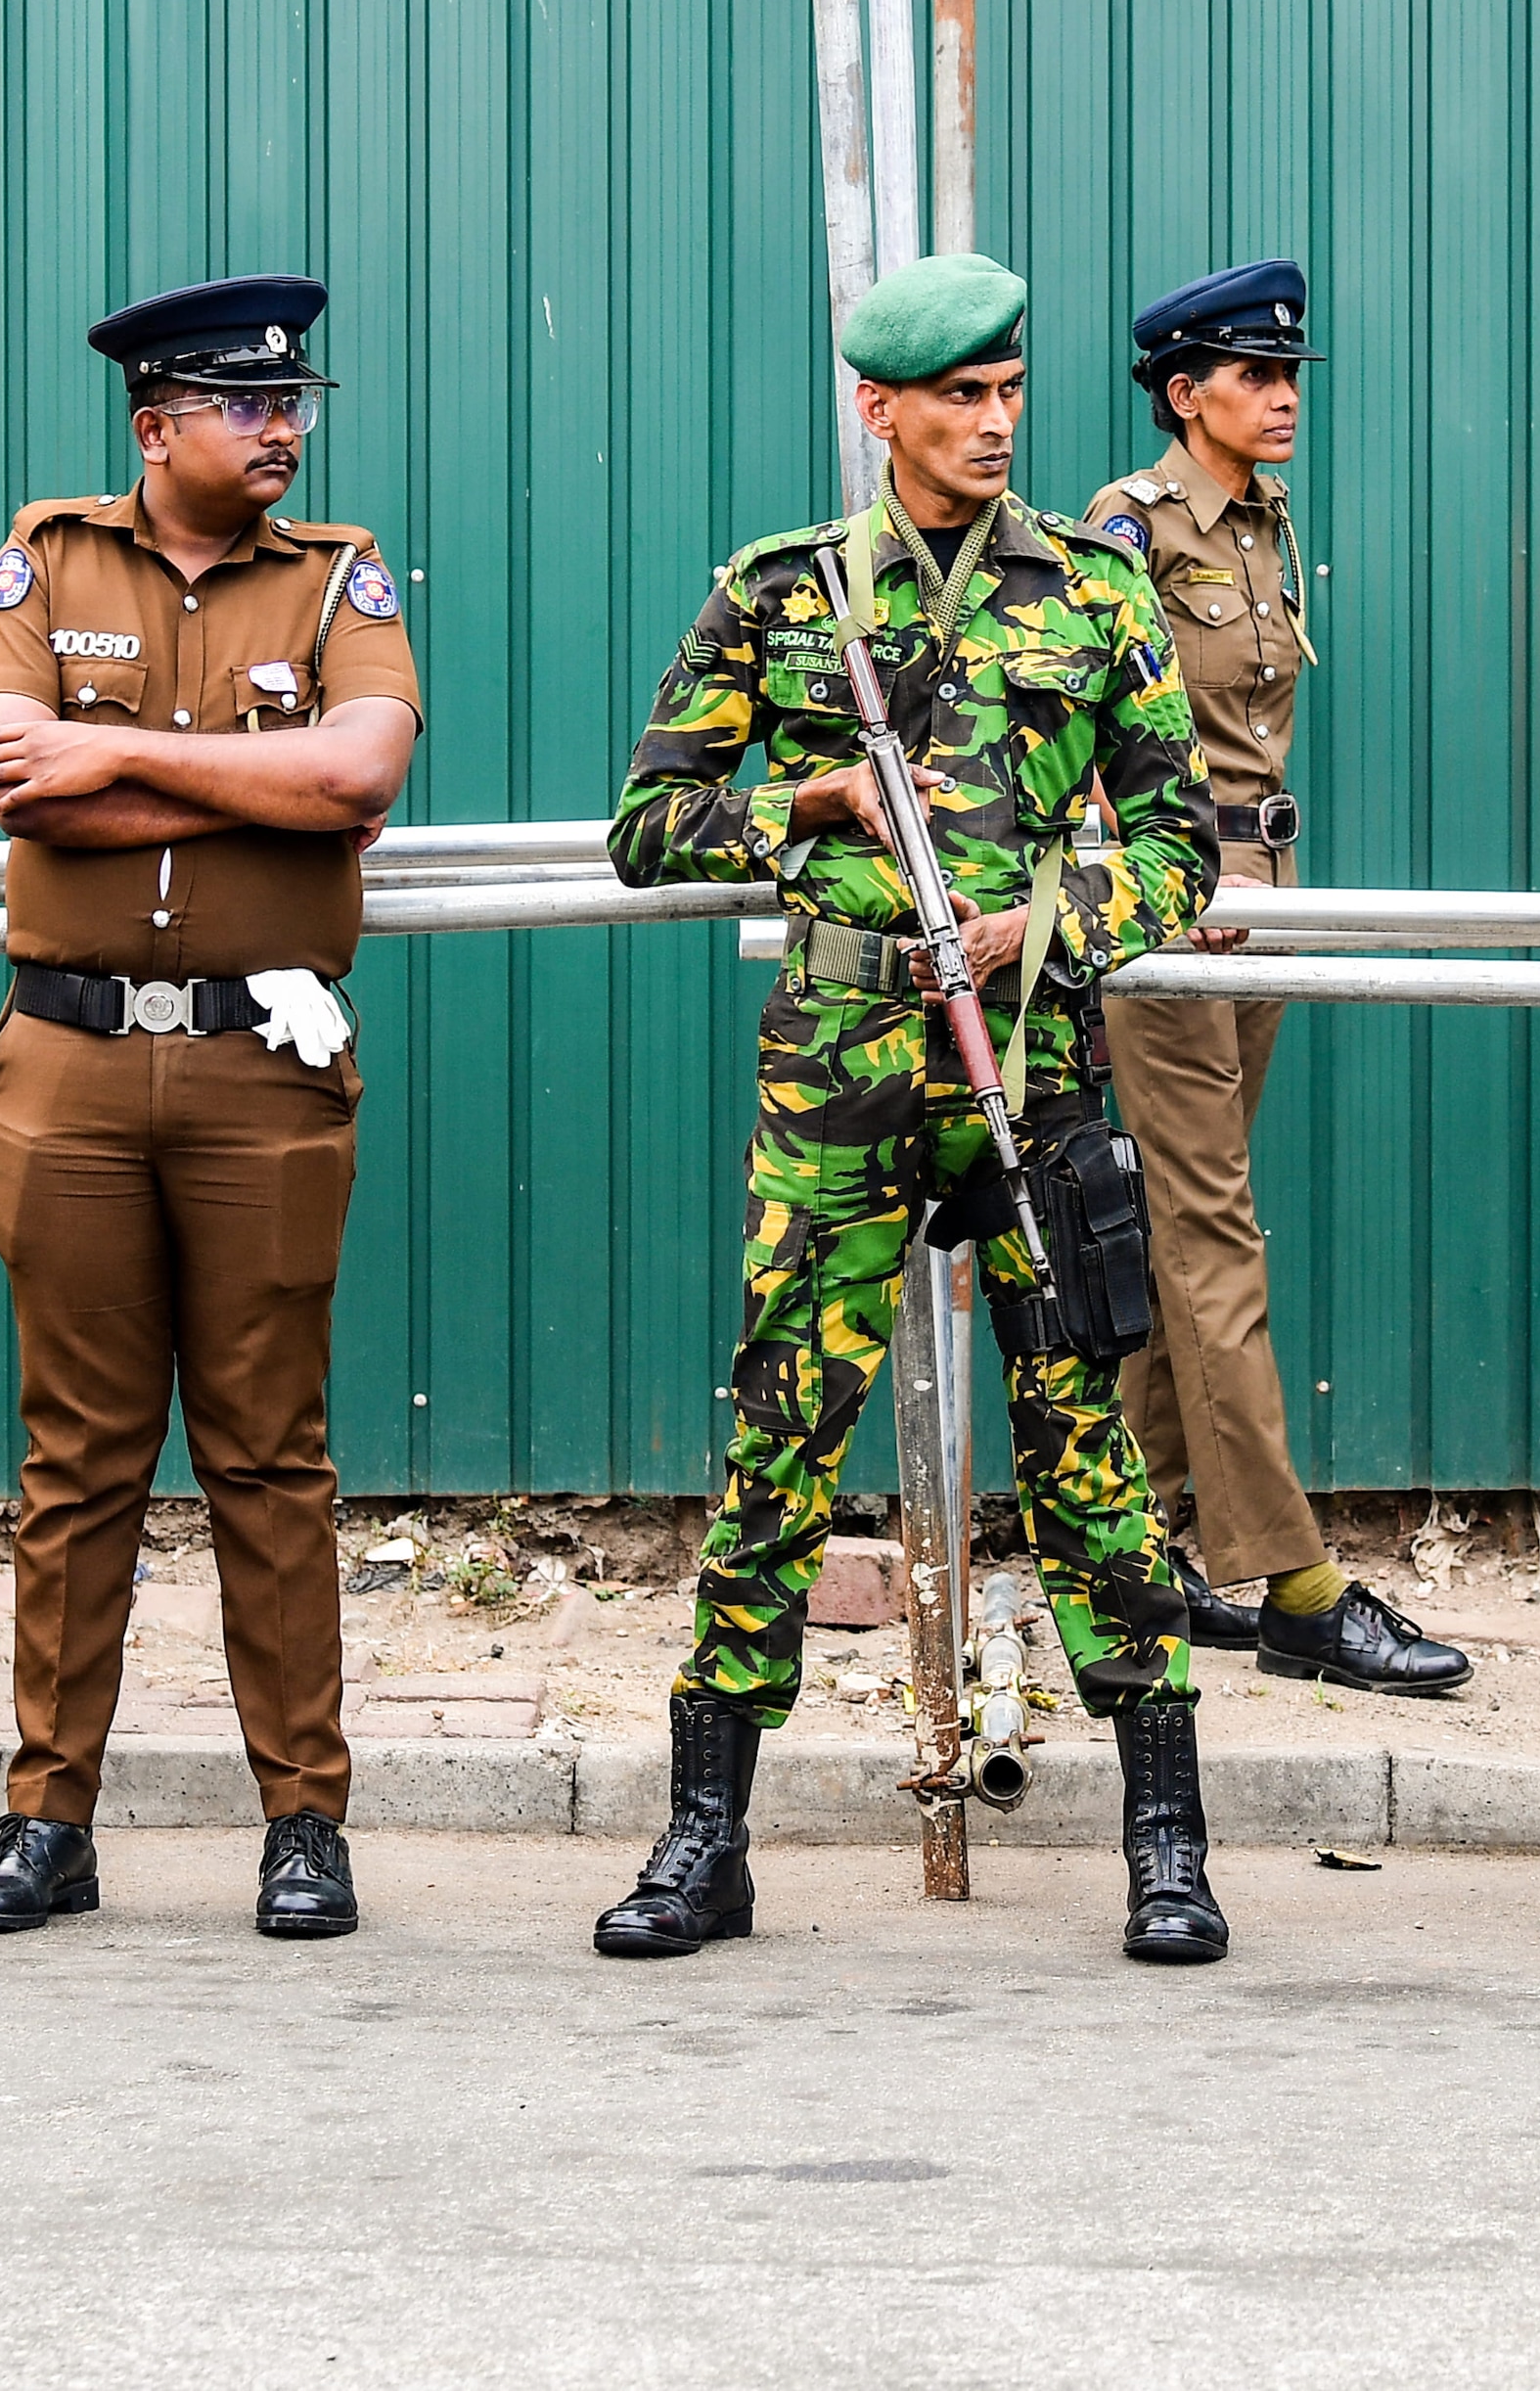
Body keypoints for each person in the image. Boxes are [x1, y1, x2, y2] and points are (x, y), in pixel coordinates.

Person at [597, 251, 1225, 1964]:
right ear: (881, 407)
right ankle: (706, 1838)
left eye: (1011, 391)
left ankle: (1166, 1842)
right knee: (783, 1432)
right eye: (961, 396)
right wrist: (797, 809)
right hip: (842, 1065)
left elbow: (1183, 844)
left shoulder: (1096, 589)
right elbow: (647, 824)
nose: (997, 422)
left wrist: (1057, 924)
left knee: (1083, 1438)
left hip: (1031, 1066)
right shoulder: (782, 591)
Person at [0, 277, 423, 1947]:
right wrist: (254, 788)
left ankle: (305, 1820)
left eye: (294, 405)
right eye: (246, 405)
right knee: (74, 1460)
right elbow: (24, 781)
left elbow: (359, 773)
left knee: (269, 1455)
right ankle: (45, 1817)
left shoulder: (340, 573)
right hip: (67, 1064)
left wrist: (122, 757)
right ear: (156, 427)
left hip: (259, 1068)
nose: (284, 429)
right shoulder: (48, 555)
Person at [1082, 261, 1464, 1698]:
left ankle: (1135, 1550)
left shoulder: (1261, 519)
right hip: (1181, 902)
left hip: (1264, 891)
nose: (1286, 394)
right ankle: (1296, 1583)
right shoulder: (1128, 526)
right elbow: (1089, 726)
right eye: (1255, 374)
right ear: (1186, 394)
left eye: (1291, 373)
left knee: (1185, 1224)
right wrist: (1173, 878)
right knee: (1211, 1228)